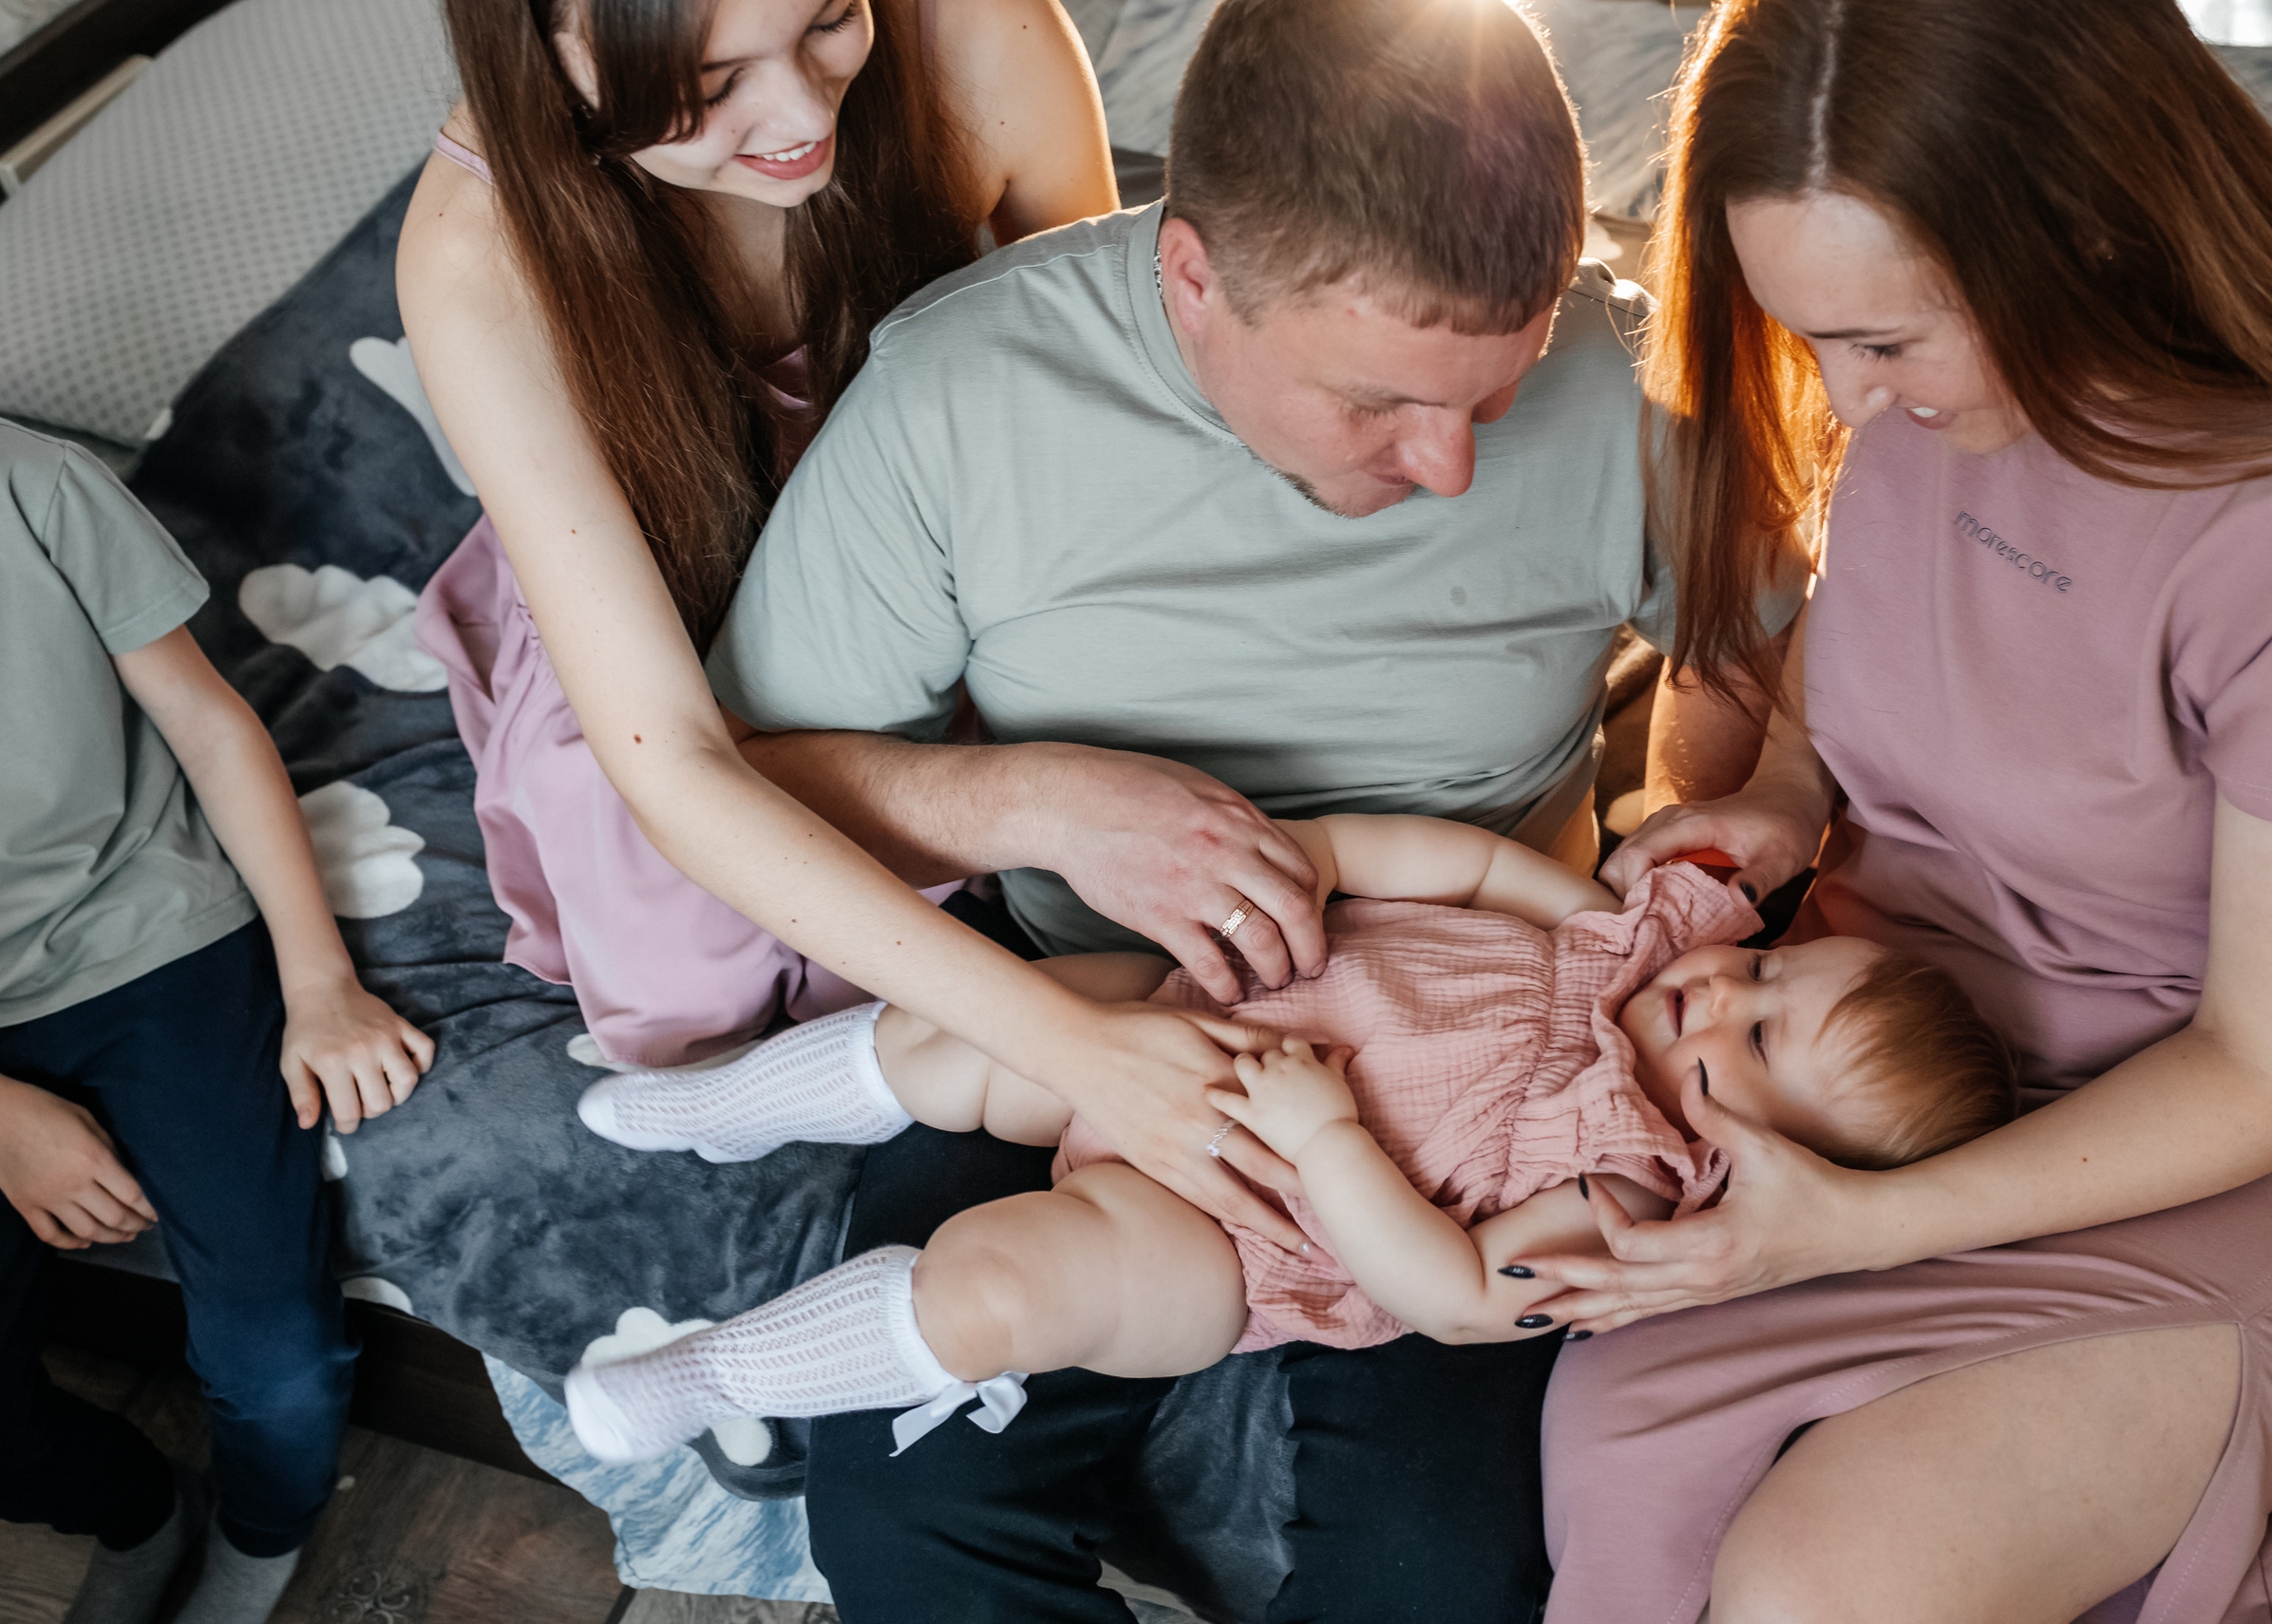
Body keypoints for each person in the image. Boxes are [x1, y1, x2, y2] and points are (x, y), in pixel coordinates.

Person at [652, 0, 1804, 1612]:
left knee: (1446, 1579)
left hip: (1494, 1065)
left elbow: (1790, 663)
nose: (1456, 465)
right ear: (1192, 278)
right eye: (1378, 406)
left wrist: (1727, 801)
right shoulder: (963, 394)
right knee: (910, 1529)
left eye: (1496, 387)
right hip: (1096, 1010)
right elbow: (743, 772)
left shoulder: (1622, 379)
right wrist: (1035, 800)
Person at [1516, 2, 2272, 1618]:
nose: (1851, 402)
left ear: (2084, 223)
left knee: (1825, 1581)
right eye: (1819, 343)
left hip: (2229, 1137)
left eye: (1887, 342)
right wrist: (1791, 792)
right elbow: (1858, 640)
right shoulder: (1930, 394)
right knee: (1625, 1464)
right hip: (1883, 1060)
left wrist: (1859, 1230)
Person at [560, 817, 2016, 1466]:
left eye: (1756, 1041)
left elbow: (1453, 1293)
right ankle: (717, 1103)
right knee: (978, 1036)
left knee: (1003, 1283)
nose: (1728, 986)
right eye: (1771, 969)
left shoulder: (1627, 1181)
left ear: (1762, 1154)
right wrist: (1319, 854)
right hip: (1188, 1024)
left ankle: (709, 1373)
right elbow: (1453, 861)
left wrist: (1326, 1142)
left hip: (1240, 1235)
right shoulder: (1617, 936)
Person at [401, 0, 1145, 1066]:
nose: (800, 112)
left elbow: (1096, 396)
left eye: (832, 18)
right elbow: (676, 763)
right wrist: (1075, 1049)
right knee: (685, 963)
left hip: (943, 531)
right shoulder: (475, 259)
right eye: (709, 88)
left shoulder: (981, 35)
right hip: (662, 595)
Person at [0, 423, 434, 1624]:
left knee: (278, 1358)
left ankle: (257, 1540)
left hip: (145, 935)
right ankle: (138, 1508)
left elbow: (205, 722)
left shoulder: (34, 484)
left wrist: (317, 982)